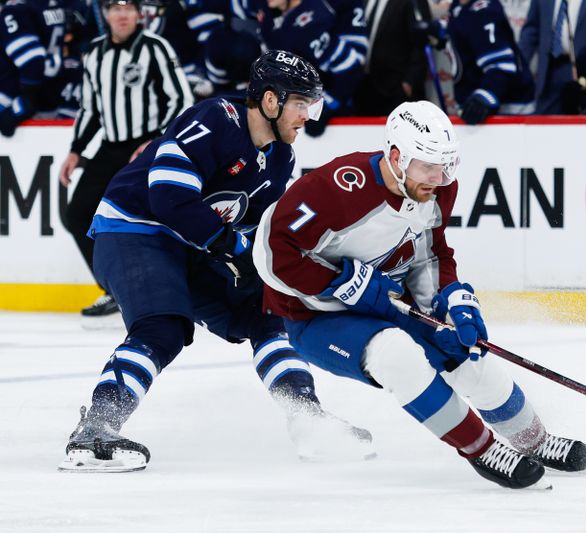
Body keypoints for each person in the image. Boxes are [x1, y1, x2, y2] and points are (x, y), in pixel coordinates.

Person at [58, 49, 374, 472]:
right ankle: (95, 429)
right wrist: (234, 249)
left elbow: (258, 232)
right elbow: (168, 196)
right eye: (301, 104)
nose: (308, 117)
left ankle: (307, 417)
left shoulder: (280, 158)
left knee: (270, 311)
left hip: (195, 245)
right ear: (269, 101)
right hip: (133, 229)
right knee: (164, 325)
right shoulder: (214, 119)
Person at [252, 100, 586, 489]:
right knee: (396, 354)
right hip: (315, 316)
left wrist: (452, 300)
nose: (439, 176)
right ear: (396, 157)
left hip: (385, 298)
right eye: (428, 165)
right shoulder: (337, 187)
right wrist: (341, 282)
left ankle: (534, 441)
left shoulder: (439, 188)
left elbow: (431, 254)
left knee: (465, 347)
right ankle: (482, 450)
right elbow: (271, 251)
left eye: (447, 165)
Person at [58, 0, 194, 320]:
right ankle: (114, 291)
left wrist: (157, 140)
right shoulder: (94, 53)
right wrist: (76, 149)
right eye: (115, 9)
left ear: (138, 14)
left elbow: (181, 99)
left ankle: (177, 289)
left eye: (128, 9)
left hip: (147, 146)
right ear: (105, 14)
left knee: (157, 219)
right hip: (110, 146)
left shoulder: (155, 48)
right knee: (78, 215)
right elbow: (91, 108)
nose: (122, 15)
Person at [261, 0, 368, 137]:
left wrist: (324, 107)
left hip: (332, 121)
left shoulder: (310, 23)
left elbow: (350, 70)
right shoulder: (277, 18)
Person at [446, 0, 536, 124]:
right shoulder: (458, 6)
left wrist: (485, 95)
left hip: (507, 111)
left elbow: (501, 66)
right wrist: (438, 31)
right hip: (474, 109)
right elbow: (464, 33)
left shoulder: (484, 12)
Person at [517, 0, 586, 115]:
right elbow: (531, 30)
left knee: (583, 125)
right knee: (543, 126)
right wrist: (517, 67)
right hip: (549, 72)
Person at [0, 0, 69, 137]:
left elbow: (32, 62)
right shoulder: (54, 5)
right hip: (48, 99)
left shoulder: (16, 10)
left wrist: (20, 107)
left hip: (13, 102)